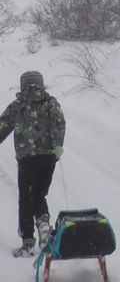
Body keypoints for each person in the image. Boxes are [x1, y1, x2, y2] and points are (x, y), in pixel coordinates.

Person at [0, 71, 65, 257]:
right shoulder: (51, 104)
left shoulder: (17, 106)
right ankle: (44, 226)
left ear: (23, 85)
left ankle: (28, 242)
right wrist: (58, 145)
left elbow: (2, 126)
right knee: (39, 194)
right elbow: (60, 123)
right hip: (48, 158)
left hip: (27, 159)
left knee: (26, 197)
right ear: (41, 84)